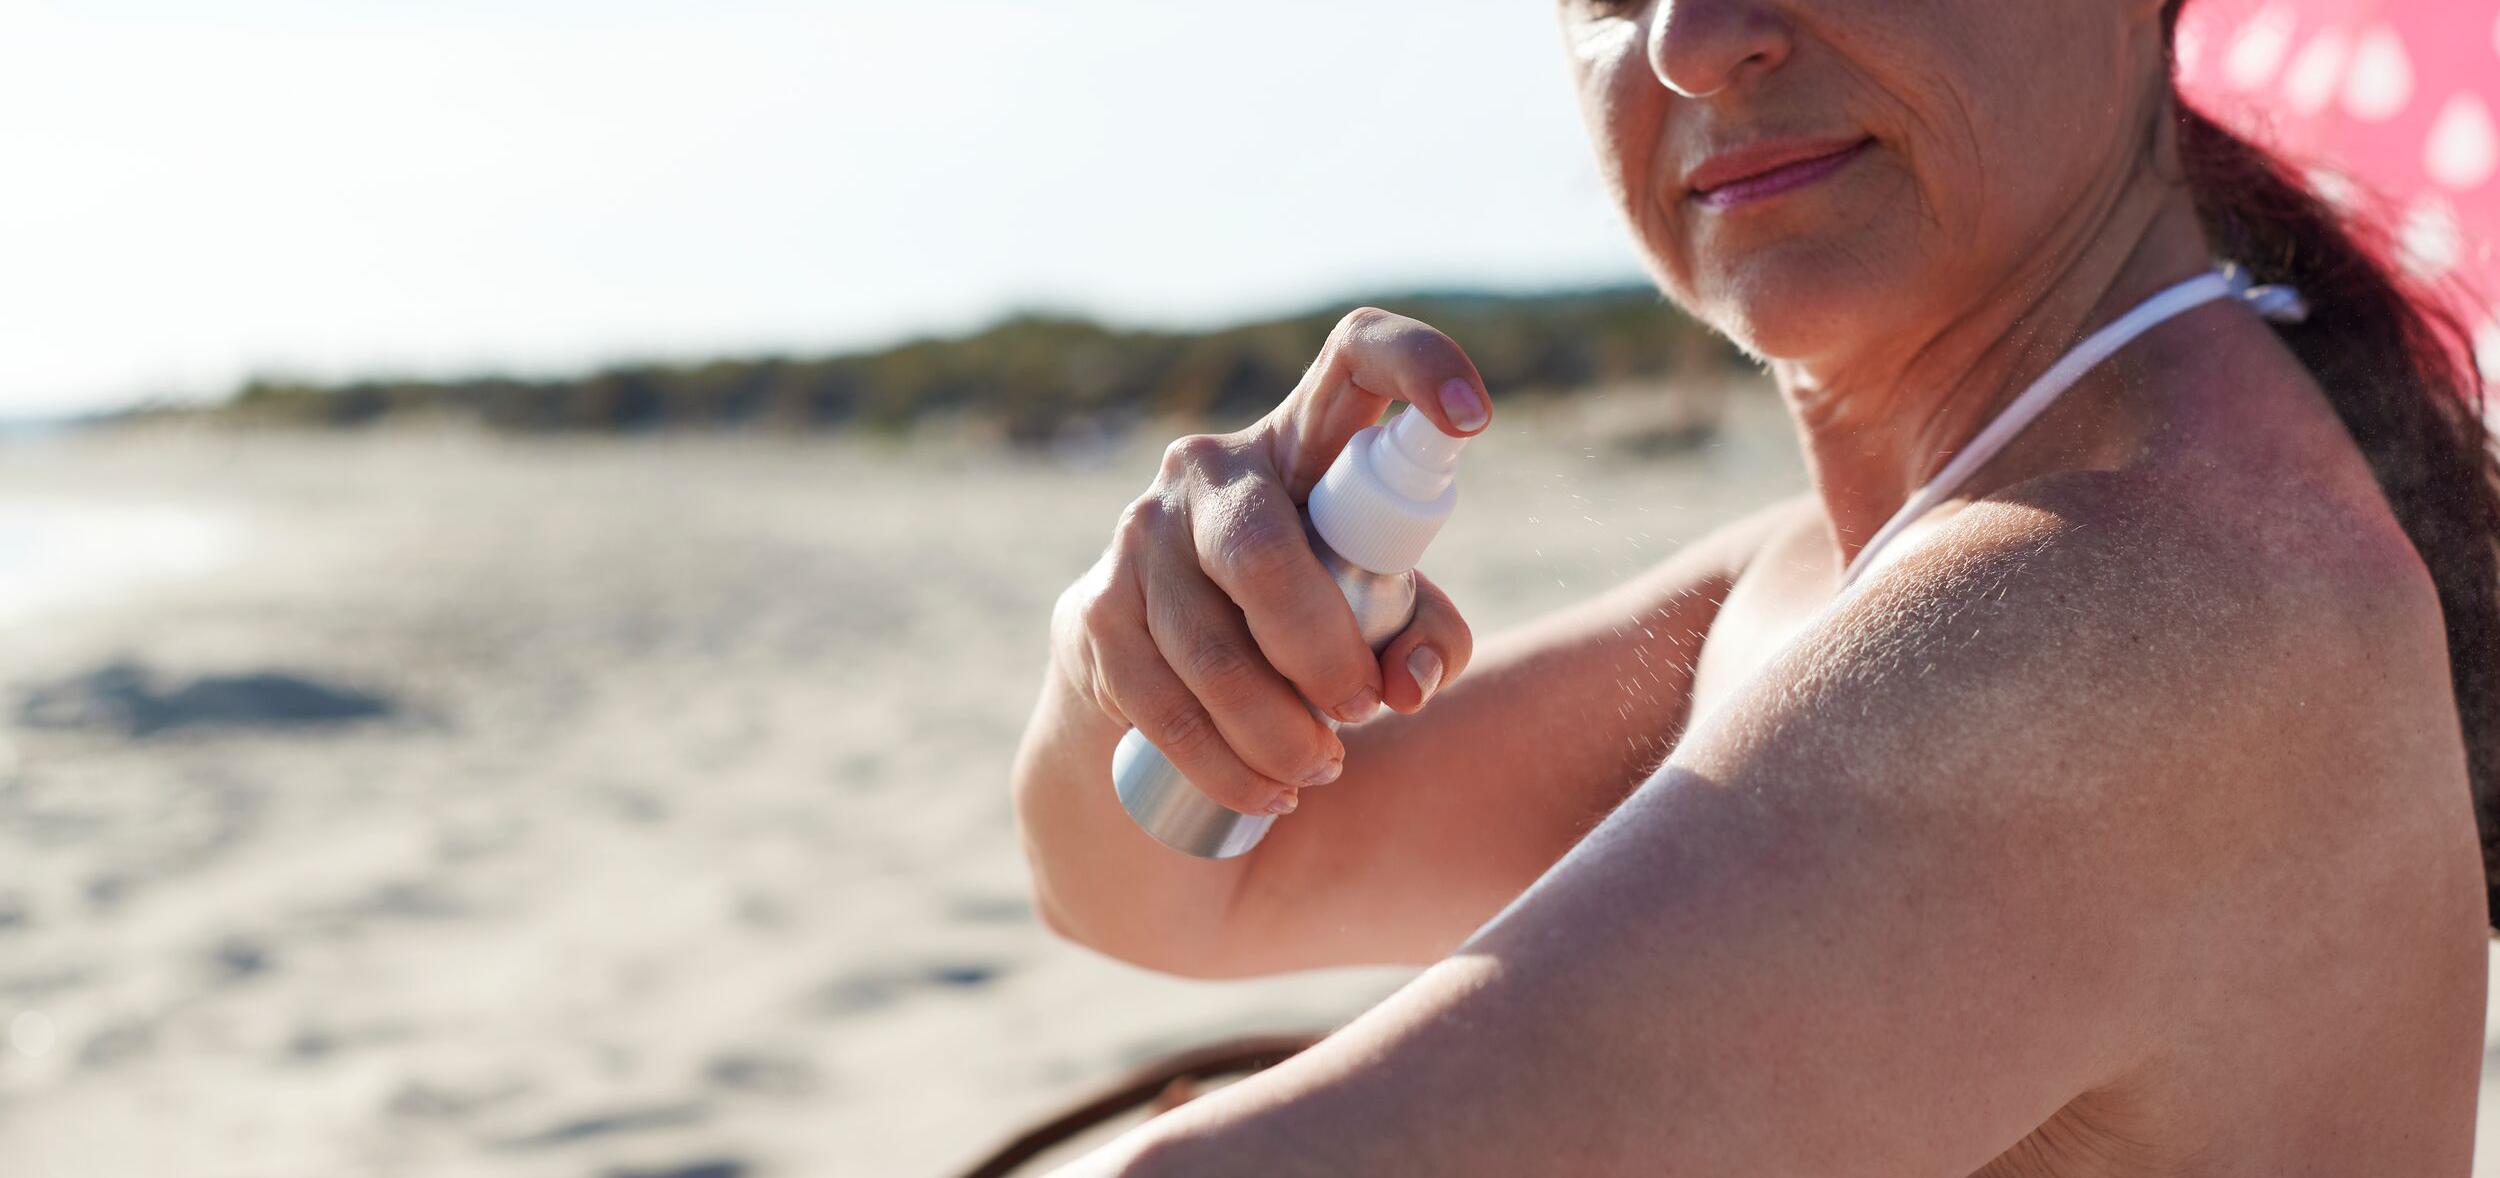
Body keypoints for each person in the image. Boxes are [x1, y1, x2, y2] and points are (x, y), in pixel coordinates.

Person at [1008, 0, 2500, 1172]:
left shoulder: (2146, 618)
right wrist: (1134, 654)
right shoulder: (1809, 584)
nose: (1690, 36)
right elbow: (1166, 889)